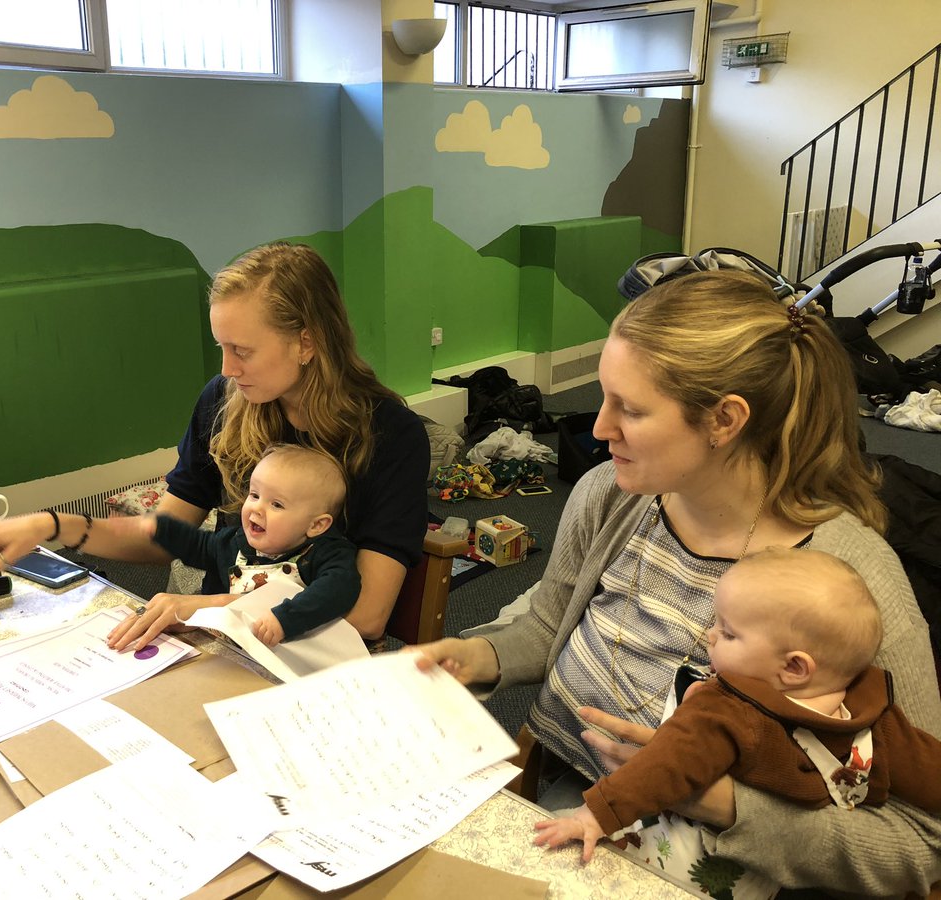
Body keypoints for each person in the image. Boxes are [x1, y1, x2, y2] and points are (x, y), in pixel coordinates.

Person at [412, 270, 941, 895]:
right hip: (564, 801)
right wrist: (477, 656)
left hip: (719, 865)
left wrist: (722, 804)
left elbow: (920, 843)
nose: (599, 429)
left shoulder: (848, 578)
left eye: (630, 409)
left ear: (724, 419)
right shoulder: (610, 495)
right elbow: (551, 623)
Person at [0, 242, 429, 648]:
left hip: (311, 658)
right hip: (222, 637)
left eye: (243, 351)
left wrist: (208, 607)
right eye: (221, 347)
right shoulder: (225, 404)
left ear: (306, 342)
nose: (227, 369)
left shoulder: (392, 437)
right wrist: (51, 526)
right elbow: (163, 535)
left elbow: (367, 615)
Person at [532, 547, 941, 863]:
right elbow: (931, 773)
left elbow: (663, 767)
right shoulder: (879, 719)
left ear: (794, 667)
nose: (709, 636)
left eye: (727, 633)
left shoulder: (726, 709)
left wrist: (593, 817)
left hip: (694, 851)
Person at [139, 443, 360, 646]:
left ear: (316, 525)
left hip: (293, 662)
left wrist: (285, 619)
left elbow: (337, 590)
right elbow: (200, 545)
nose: (256, 508)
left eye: (276, 504)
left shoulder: (326, 553)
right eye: (254, 495)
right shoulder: (235, 542)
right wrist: (164, 531)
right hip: (235, 650)